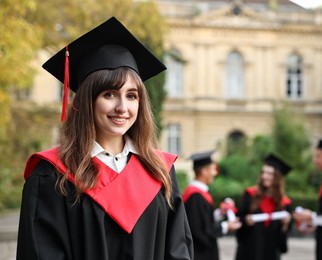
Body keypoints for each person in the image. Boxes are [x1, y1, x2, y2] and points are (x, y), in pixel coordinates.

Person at [16, 17, 193, 260]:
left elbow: (178, 251)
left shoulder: (160, 170)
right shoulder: (52, 174)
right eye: (109, 94)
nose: (122, 107)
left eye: (132, 96)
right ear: (87, 101)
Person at [182, 150, 242, 260]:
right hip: (200, 253)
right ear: (204, 171)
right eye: (213, 169)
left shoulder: (198, 194)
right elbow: (200, 230)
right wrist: (225, 226)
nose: (215, 173)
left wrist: (220, 212)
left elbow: (203, 219)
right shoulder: (195, 197)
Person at [235, 154, 292, 260]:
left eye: (270, 174)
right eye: (263, 172)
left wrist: (286, 224)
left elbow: (284, 235)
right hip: (248, 251)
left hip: (271, 253)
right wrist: (246, 221)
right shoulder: (250, 195)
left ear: (277, 177)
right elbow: (239, 218)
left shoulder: (284, 203)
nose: (264, 176)